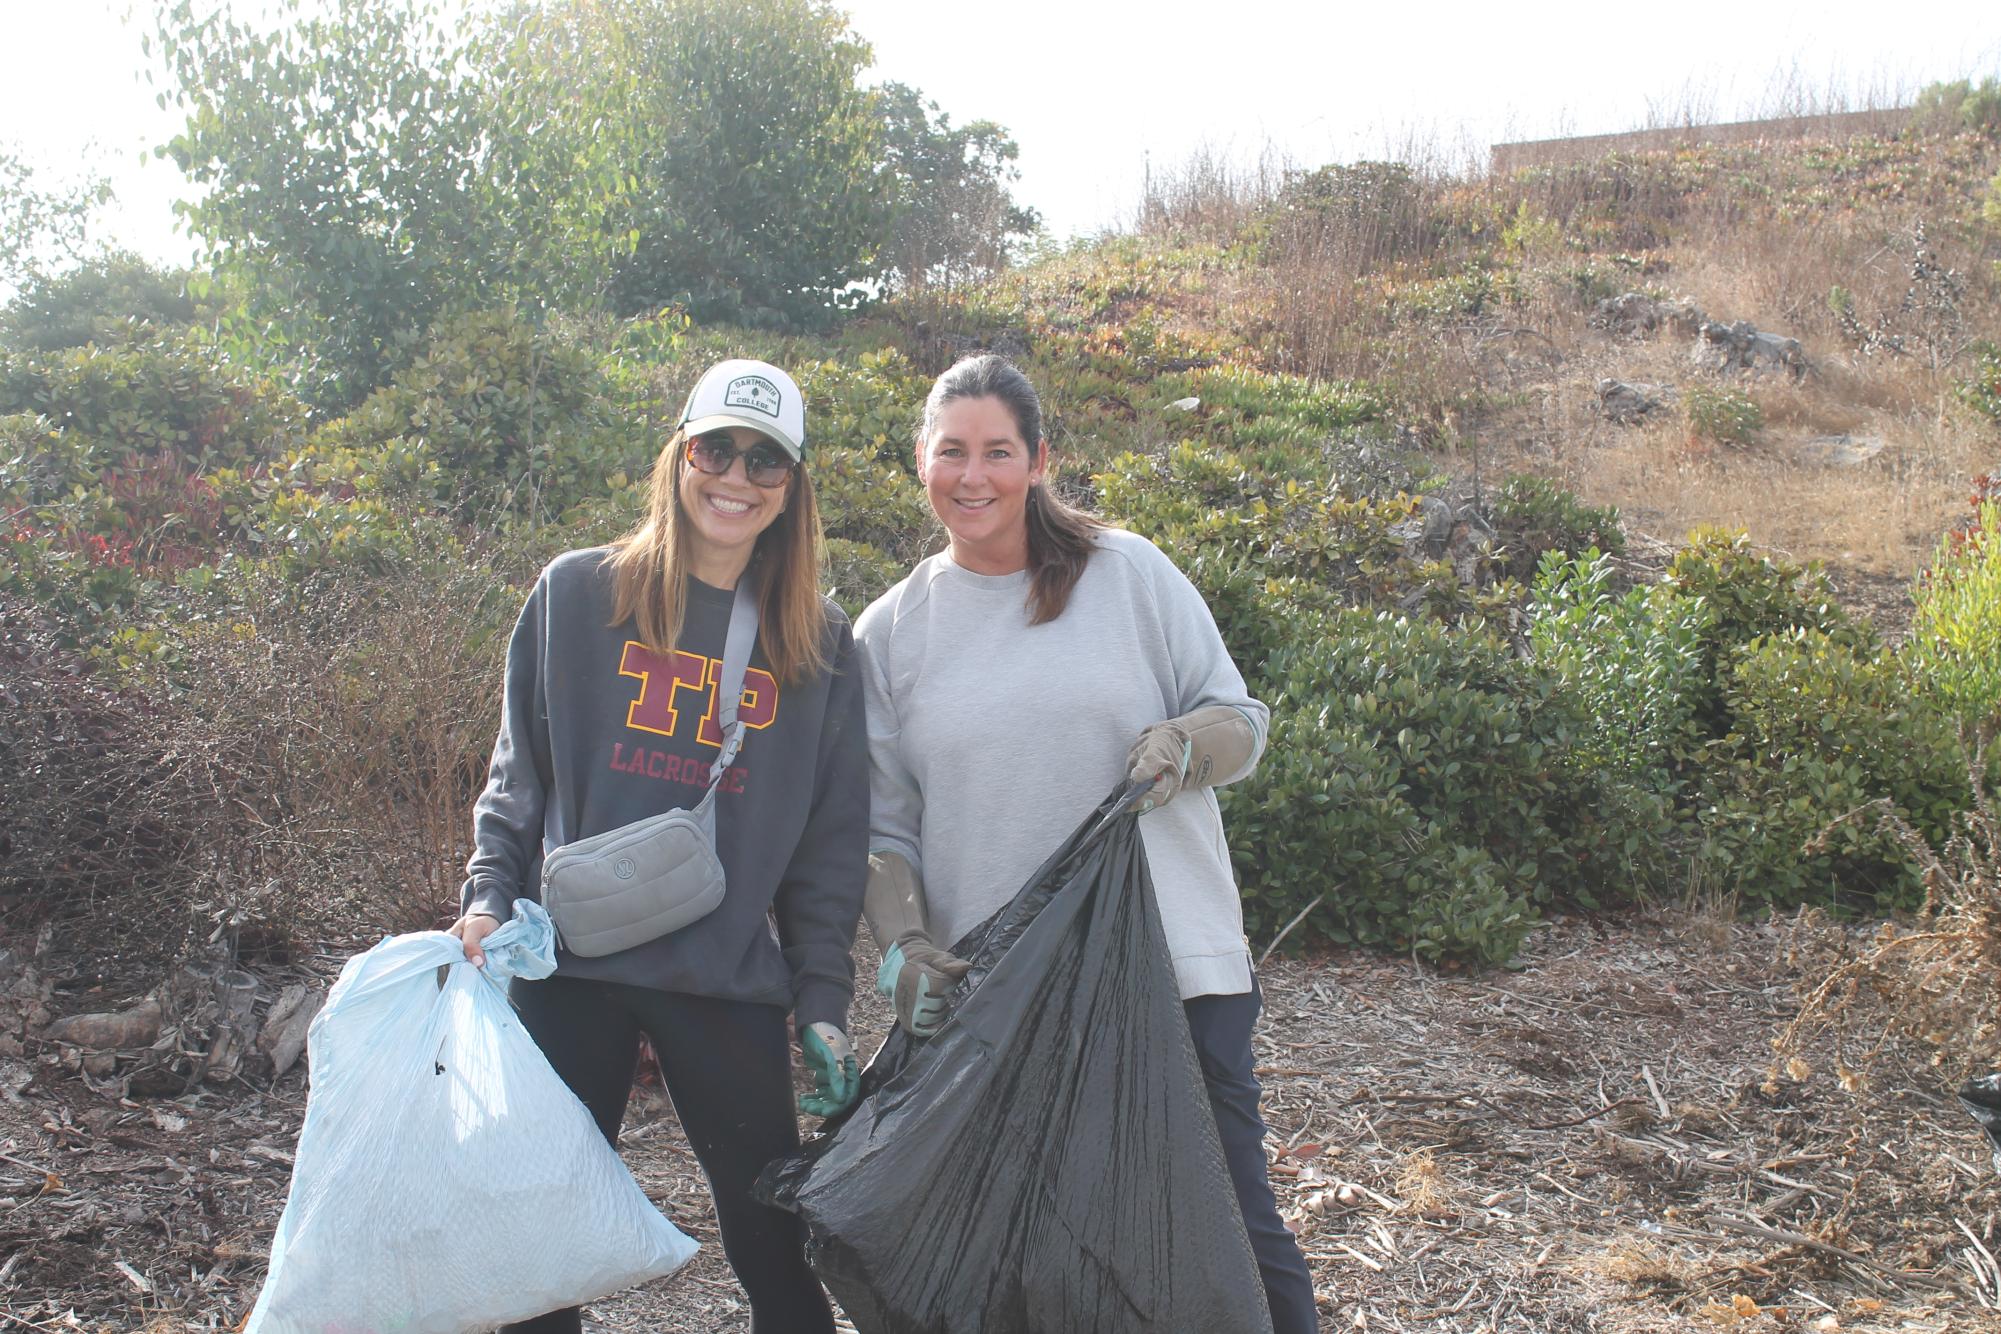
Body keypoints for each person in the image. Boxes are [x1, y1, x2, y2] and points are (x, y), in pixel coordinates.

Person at [855, 354, 1319, 1332]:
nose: (972, 476)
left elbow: (1241, 720)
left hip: (1174, 970)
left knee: (1228, 1225)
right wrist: (900, 943)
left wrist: (1186, 745)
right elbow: (882, 824)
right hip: (1003, 993)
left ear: (1038, 459)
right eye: (951, 452)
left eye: (997, 451)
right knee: (1035, 1249)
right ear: (919, 462)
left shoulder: (1127, 572)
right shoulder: (890, 633)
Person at [449, 358, 866, 1334]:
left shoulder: (820, 643)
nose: (737, 475)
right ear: (680, 453)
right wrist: (485, 895)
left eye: (766, 459)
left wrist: (823, 999)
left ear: (793, 485)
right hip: (570, 964)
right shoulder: (576, 594)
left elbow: (830, 843)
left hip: (721, 974)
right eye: (717, 447)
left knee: (775, 1243)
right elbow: (521, 774)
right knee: (539, 1248)